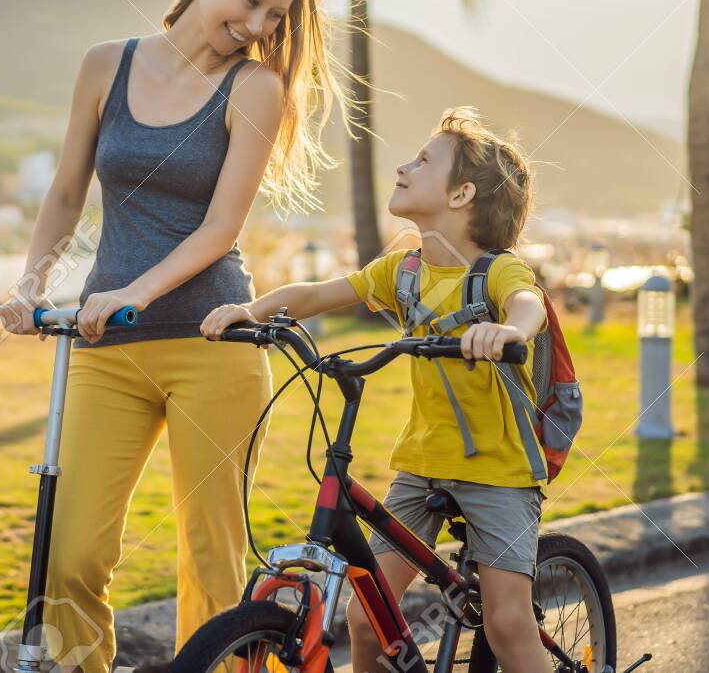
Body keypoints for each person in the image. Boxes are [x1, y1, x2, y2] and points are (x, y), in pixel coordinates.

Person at [0, 0, 350, 673]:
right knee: (70, 560)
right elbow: (64, 193)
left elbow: (221, 228)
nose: (256, 25)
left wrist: (134, 291)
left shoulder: (256, 87)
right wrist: (31, 285)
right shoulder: (105, 65)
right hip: (106, 349)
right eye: (250, 0)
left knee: (210, 564)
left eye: (275, 15)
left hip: (214, 346)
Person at [201, 106, 550, 673]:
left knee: (509, 625)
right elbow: (317, 293)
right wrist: (251, 310)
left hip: (500, 472)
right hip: (421, 463)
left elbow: (527, 302)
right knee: (368, 618)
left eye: (424, 160)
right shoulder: (402, 271)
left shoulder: (494, 272)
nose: (405, 166)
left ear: (461, 195)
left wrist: (508, 330)